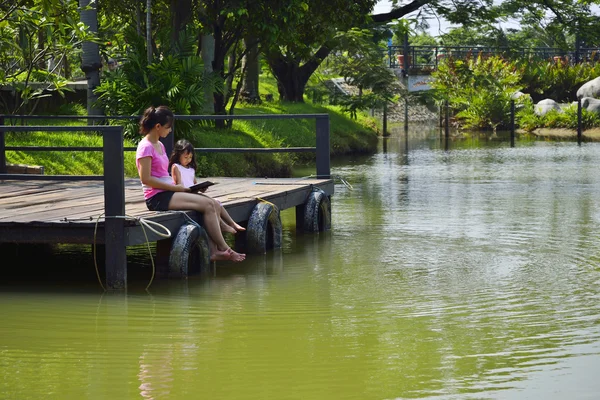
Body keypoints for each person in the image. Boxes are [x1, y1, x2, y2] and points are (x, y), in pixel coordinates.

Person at [135, 105, 245, 262]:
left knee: (212, 203)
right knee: (207, 205)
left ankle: (214, 250)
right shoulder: (145, 147)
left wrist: (186, 188)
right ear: (158, 126)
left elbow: (162, 175)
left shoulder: (159, 145)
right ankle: (225, 249)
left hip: (169, 192)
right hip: (157, 198)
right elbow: (146, 179)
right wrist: (175, 188)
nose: (170, 131)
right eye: (168, 127)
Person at [168, 139, 245, 235]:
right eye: (186, 157)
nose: (188, 160)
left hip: (193, 193)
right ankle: (222, 224)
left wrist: (201, 188)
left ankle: (232, 223)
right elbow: (178, 185)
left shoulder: (191, 169)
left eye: (190, 157)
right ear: (178, 155)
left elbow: (194, 183)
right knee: (210, 204)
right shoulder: (176, 167)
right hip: (184, 195)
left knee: (216, 202)